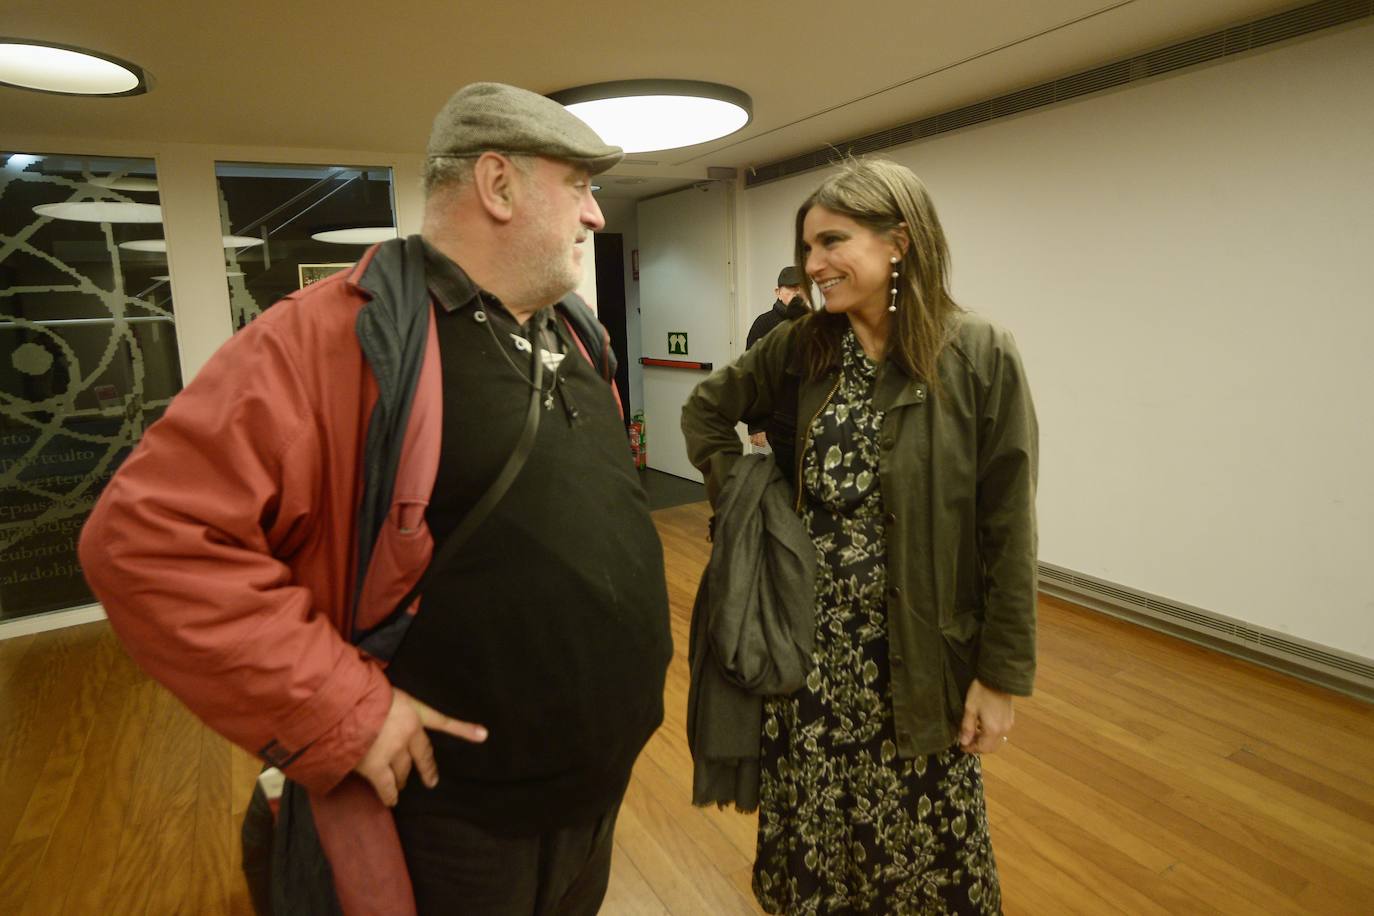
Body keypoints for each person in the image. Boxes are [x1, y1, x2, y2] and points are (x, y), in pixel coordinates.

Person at [79, 82, 673, 916]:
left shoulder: (574, 331)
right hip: (458, 822)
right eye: (578, 186)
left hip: (594, 797)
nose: (595, 218)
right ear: (497, 185)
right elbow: (143, 539)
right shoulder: (327, 338)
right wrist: (339, 710)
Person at [681, 158, 1037, 914]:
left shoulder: (978, 353)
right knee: (818, 864)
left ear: (899, 242)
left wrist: (999, 677)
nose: (813, 266)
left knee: (924, 869)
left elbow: (1009, 528)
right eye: (807, 248)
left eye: (832, 242)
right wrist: (753, 502)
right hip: (807, 659)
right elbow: (706, 414)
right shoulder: (804, 346)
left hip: (917, 663)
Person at [745, 266, 810, 448]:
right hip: (777, 419)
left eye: (802, 288)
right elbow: (752, 375)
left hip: (811, 416)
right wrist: (756, 425)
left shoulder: (815, 324)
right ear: (778, 292)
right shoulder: (763, 324)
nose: (798, 294)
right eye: (792, 288)